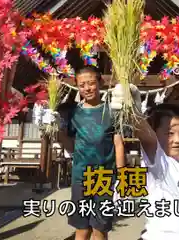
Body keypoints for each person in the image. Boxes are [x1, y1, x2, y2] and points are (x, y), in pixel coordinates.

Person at [110, 84, 179, 240]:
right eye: (169, 133)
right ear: (155, 133)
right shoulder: (160, 164)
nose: (177, 140)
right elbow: (149, 141)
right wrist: (134, 112)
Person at [58, 66, 125, 240]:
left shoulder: (112, 111)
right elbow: (71, 147)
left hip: (104, 176)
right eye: (82, 85)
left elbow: (118, 143)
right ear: (77, 87)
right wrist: (57, 132)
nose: (87, 88)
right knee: (82, 228)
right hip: (81, 177)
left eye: (91, 83)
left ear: (100, 83)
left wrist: (123, 176)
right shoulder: (74, 113)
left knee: (100, 229)